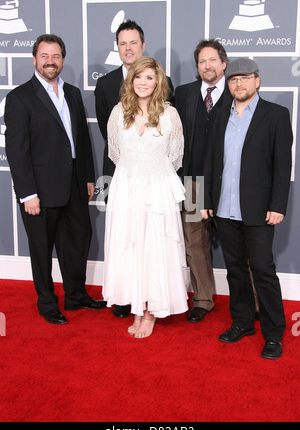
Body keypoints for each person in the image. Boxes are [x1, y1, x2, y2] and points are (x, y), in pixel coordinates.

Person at [5, 34, 106, 325]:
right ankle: (47, 302)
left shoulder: (72, 93)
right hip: (40, 188)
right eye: (45, 56)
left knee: (77, 242)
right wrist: (28, 194)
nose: (51, 61)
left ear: (63, 59)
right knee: (41, 248)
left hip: (75, 183)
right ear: (35, 59)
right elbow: (17, 150)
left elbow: (82, 140)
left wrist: (87, 178)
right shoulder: (19, 97)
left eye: (56, 56)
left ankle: (76, 295)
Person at [202, 58, 293, 359]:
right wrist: (207, 201)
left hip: (258, 209)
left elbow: (283, 166)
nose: (238, 84)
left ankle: (274, 333)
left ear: (257, 81)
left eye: (245, 78)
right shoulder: (219, 116)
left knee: (264, 272)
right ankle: (242, 322)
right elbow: (211, 160)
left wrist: (277, 204)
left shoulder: (276, 115)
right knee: (235, 271)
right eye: (233, 79)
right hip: (225, 209)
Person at [102, 56, 189, 338]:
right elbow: (115, 154)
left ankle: (151, 312)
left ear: (158, 82)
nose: (143, 82)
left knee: (155, 249)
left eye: (149, 77)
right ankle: (138, 308)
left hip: (157, 191)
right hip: (126, 188)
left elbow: (175, 158)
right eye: (138, 77)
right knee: (132, 249)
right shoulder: (118, 112)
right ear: (131, 80)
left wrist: (151, 172)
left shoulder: (169, 114)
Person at [95, 19, 173, 318]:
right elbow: (109, 135)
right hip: (122, 177)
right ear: (118, 48)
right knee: (125, 239)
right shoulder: (105, 87)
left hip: (154, 183)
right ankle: (127, 296)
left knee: (152, 242)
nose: (128, 48)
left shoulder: (166, 96)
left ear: (143, 45)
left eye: (133, 43)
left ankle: (151, 301)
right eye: (122, 43)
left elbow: (170, 147)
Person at [175, 39, 232, 323]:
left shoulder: (236, 92)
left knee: (239, 243)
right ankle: (203, 298)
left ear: (223, 63)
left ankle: (253, 301)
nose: (207, 66)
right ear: (197, 67)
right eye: (202, 62)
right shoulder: (184, 94)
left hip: (228, 184)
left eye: (212, 60)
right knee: (195, 242)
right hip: (193, 182)